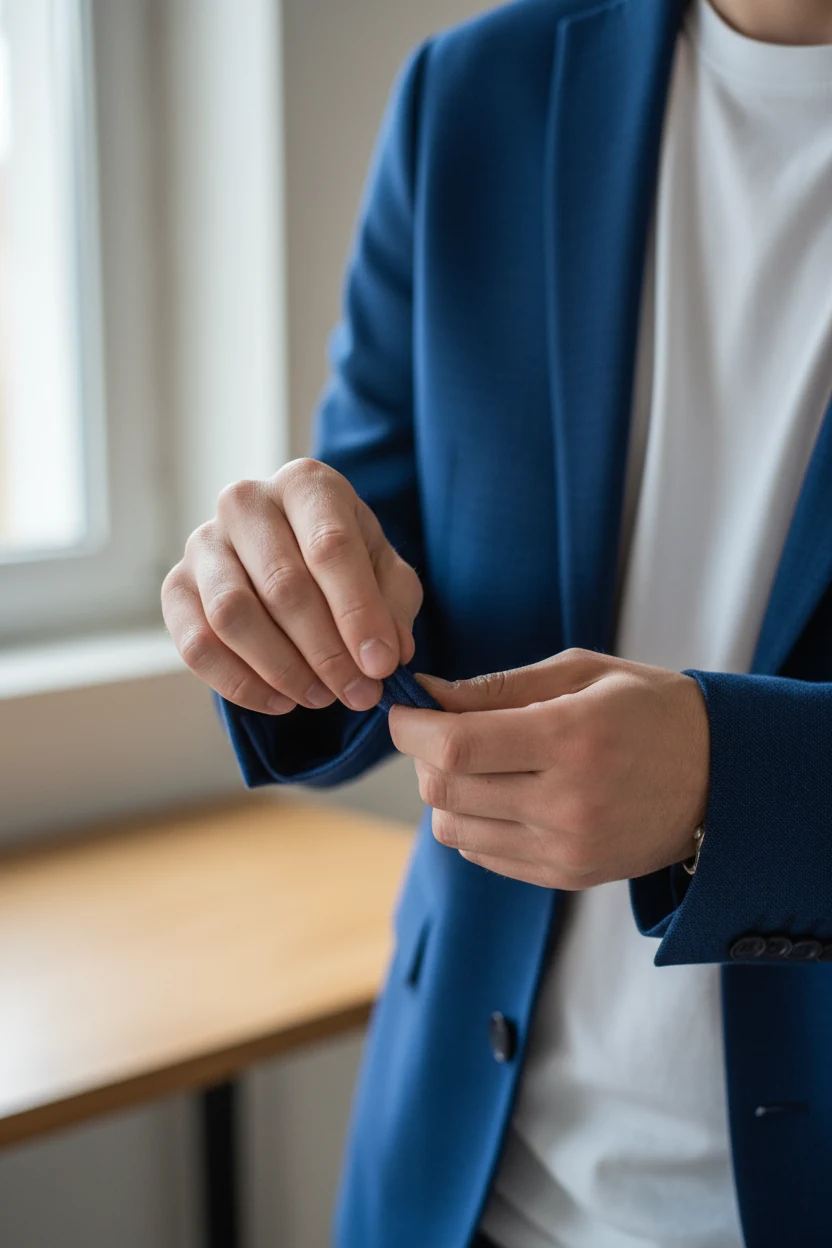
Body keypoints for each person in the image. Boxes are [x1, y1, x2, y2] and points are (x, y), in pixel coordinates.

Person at [161, 0, 832, 1244]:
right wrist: (283, 602)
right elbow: (382, 553)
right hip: (457, 1186)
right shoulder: (471, 93)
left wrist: (727, 785)